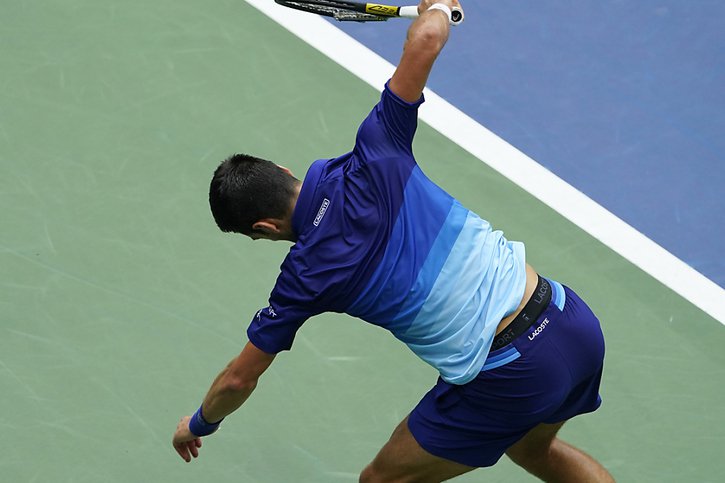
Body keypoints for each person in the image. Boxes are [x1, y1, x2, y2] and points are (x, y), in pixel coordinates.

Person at [172, 1, 614, 481]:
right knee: (534, 452)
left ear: (264, 229)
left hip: (510, 371)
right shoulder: (377, 148)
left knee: (381, 480)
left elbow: (240, 377)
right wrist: (439, 8)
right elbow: (425, 41)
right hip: (569, 319)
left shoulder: (304, 280)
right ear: (284, 170)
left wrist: (198, 423)